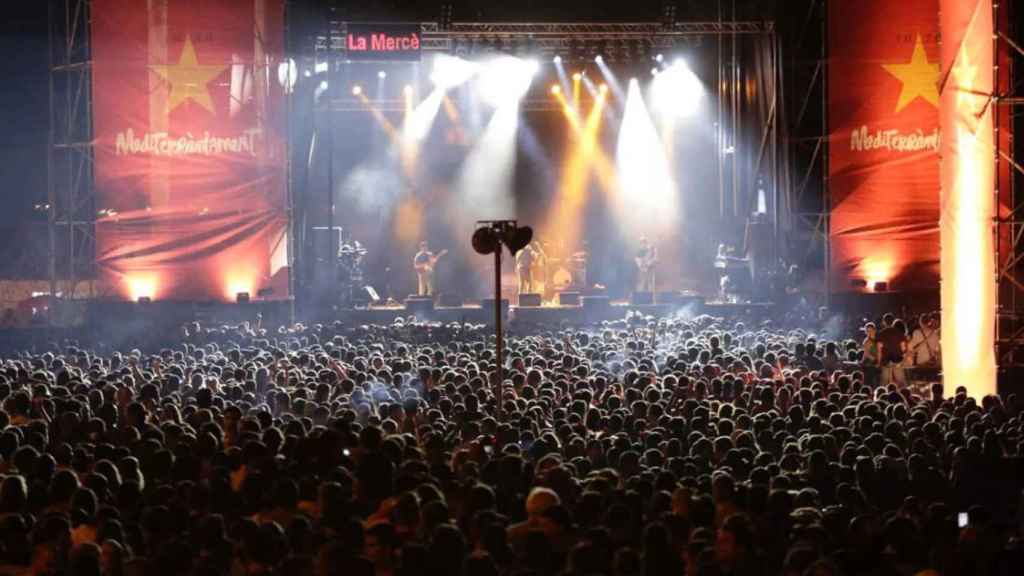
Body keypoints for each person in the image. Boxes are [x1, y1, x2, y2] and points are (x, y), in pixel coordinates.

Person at [878, 318, 909, 387]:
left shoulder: (882, 333)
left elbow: (879, 350)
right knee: (901, 381)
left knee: (884, 381)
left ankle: (882, 393)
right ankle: (904, 392)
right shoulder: (900, 334)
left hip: (885, 360)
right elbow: (903, 349)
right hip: (897, 360)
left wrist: (879, 362)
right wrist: (904, 361)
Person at [862, 322, 881, 387]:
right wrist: (876, 361)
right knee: (870, 383)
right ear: (865, 332)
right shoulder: (867, 341)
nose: (869, 332)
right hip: (869, 365)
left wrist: (878, 362)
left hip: (875, 364)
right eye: (867, 331)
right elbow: (866, 354)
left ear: (874, 330)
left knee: (876, 383)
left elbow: (879, 352)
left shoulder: (878, 340)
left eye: (871, 330)